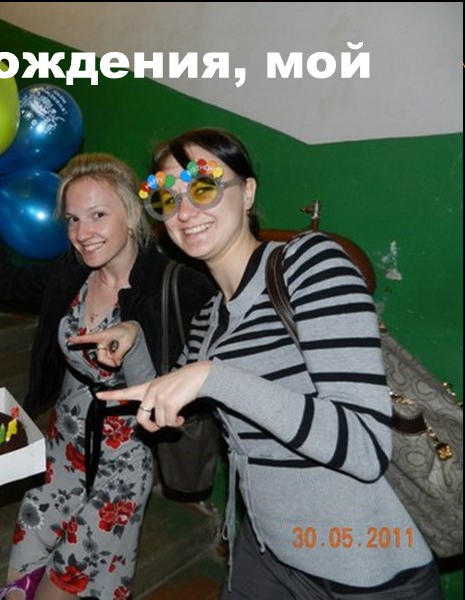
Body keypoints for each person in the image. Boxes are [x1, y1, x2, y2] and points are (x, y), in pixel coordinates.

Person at [96, 128, 443, 598]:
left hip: (363, 573)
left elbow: (364, 446)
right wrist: (134, 342)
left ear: (248, 193)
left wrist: (216, 377)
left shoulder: (310, 264)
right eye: (167, 199)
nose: (185, 212)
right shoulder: (209, 318)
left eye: (203, 188)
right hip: (264, 550)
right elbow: (166, 405)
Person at [0, 153, 215, 600]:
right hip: (62, 449)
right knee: (22, 570)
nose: (83, 233)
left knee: (66, 582)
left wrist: (135, 339)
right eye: (72, 219)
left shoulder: (179, 286)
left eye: (98, 215)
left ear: (132, 213)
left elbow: (181, 394)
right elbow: (7, 284)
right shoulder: (70, 273)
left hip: (124, 460)